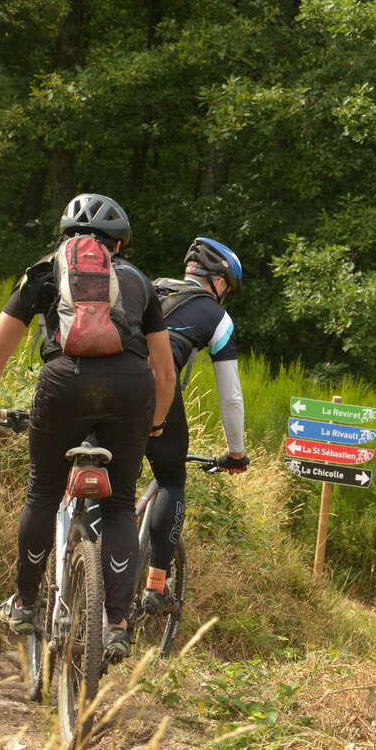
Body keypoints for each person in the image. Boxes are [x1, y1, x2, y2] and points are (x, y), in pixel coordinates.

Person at [0, 193, 175, 660]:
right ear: (117, 247)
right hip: (130, 389)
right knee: (120, 504)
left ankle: (23, 603)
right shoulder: (140, 282)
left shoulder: (43, 272)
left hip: (64, 384)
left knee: (43, 491)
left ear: (66, 239)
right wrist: (155, 425)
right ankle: (118, 624)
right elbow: (165, 372)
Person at [141, 237, 249, 615]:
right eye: (227, 289)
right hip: (157, 395)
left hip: (105, 384)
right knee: (170, 478)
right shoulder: (216, 316)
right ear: (219, 281)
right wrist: (236, 453)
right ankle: (156, 583)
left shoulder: (145, 287)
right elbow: (230, 397)